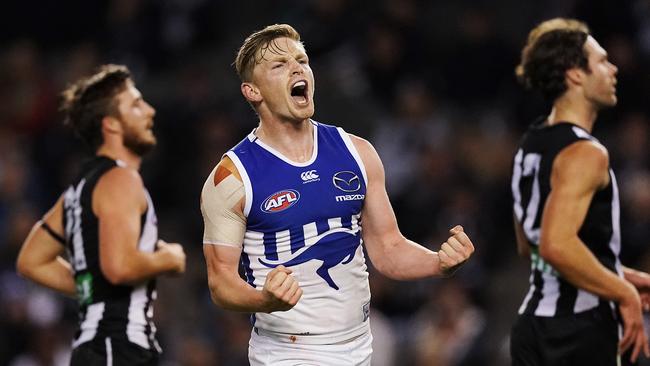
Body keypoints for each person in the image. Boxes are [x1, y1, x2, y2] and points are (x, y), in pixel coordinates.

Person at [200, 24, 475, 365]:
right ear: (252, 91)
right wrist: (265, 300)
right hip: (288, 352)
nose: (297, 68)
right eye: (280, 65)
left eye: (301, 60)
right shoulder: (231, 177)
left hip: (359, 344)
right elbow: (220, 283)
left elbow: (388, 248)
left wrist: (438, 263)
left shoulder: (358, 152)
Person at [16, 64, 186, 365]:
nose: (150, 111)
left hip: (99, 347)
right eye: (136, 104)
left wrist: (92, 285)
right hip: (117, 347)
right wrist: (169, 258)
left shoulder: (78, 191)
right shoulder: (121, 180)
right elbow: (119, 267)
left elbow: (32, 260)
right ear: (112, 125)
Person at [510, 18, 650, 365]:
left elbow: (528, 244)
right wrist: (624, 292)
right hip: (578, 333)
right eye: (602, 61)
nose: (613, 68)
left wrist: (618, 274)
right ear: (575, 74)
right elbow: (556, 245)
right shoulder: (587, 153)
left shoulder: (529, 145)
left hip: (532, 328)